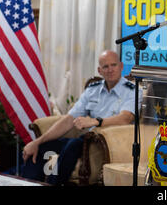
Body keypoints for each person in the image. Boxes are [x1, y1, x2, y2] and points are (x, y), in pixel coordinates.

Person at [22, 50, 137, 185]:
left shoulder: (132, 90)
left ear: (121, 66)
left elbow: (125, 118)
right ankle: (28, 183)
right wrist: (37, 141)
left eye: (114, 65)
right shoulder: (93, 90)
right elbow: (69, 119)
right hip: (86, 140)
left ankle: (54, 184)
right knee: (43, 147)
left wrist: (96, 121)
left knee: (74, 144)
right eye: (105, 67)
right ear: (99, 70)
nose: (110, 70)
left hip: (109, 144)